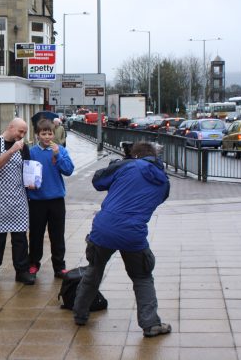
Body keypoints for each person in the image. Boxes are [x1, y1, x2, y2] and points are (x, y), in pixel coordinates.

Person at [73, 141, 171, 338]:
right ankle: (150, 324)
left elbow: (98, 181)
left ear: (134, 155)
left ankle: (80, 314)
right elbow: (157, 199)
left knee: (94, 269)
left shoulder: (128, 165)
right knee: (142, 277)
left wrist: (117, 165)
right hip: (133, 234)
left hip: (104, 229)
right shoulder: (164, 181)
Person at [0, 118, 34, 285]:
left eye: (25, 132)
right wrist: (11, 151)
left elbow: (27, 170)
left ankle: (22, 271)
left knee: (20, 238)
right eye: (20, 131)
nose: (22, 135)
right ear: (11, 127)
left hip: (17, 198)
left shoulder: (23, 148)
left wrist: (32, 181)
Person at [27, 119, 74, 278]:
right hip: (37, 200)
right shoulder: (32, 152)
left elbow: (68, 170)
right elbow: (26, 174)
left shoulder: (60, 150)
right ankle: (33, 264)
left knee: (57, 235)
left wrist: (57, 155)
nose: (47, 137)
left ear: (54, 134)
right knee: (35, 234)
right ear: (37, 135)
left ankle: (59, 266)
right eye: (43, 134)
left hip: (56, 200)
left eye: (50, 133)